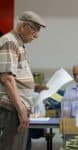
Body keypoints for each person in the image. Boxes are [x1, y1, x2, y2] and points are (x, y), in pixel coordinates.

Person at [0, 11, 46, 150]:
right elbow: (7, 78)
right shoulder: (10, 42)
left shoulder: (17, 43)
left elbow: (15, 77)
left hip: (14, 110)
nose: (37, 35)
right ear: (24, 26)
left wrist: (33, 87)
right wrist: (21, 111)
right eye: (35, 30)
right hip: (11, 110)